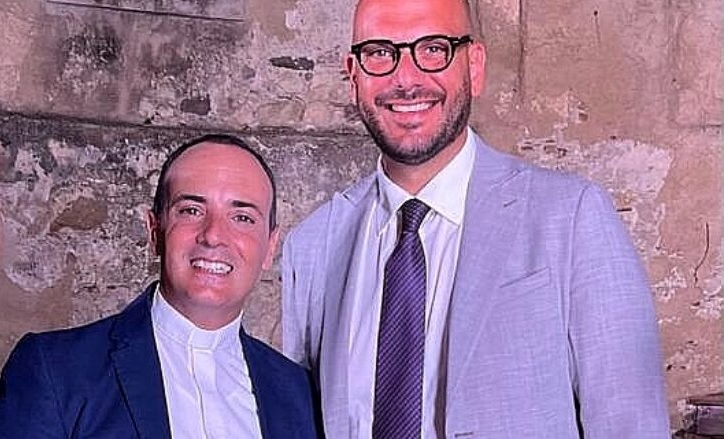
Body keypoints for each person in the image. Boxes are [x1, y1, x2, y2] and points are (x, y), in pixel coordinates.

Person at [281, 0, 670, 438]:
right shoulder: (312, 247)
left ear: (475, 66)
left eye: (433, 49)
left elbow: (631, 426)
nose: (405, 79)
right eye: (380, 53)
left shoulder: (571, 218)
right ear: (353, 75)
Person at [0, 134, 319, 438]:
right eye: (191, 210)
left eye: (242, 218)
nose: (214, 235)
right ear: (154, 230)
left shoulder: (300, 393)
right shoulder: (55, 369)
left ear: (270, 246)